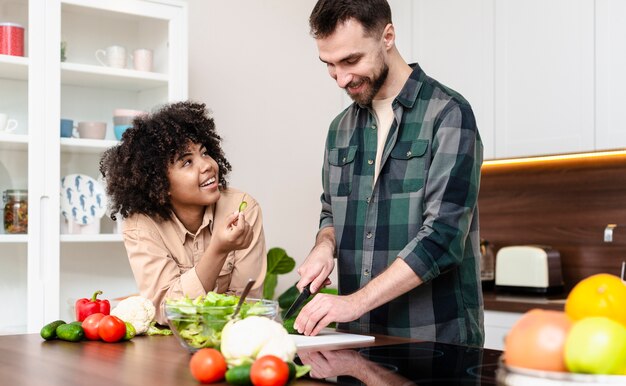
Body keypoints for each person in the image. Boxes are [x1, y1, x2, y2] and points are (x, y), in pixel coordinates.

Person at [294, 0, 484, 346]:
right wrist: (324, 246)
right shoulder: (340, 129)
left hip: (433, 343)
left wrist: (354, 302)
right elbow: (330, 212)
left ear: (388, 36)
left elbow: (442, 239)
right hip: (356, 344)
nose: (341, 78)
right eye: (330, 65)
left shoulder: (449, 114)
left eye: (351, 60)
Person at [100, 101, 267, 325]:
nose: (207, 165)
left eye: (205, 153)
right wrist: (218, 250)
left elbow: (246, 304)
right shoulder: (141, 225)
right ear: (159, 182)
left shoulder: (243, 208)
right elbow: (165, 311)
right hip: (170, 346)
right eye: (187, 162)